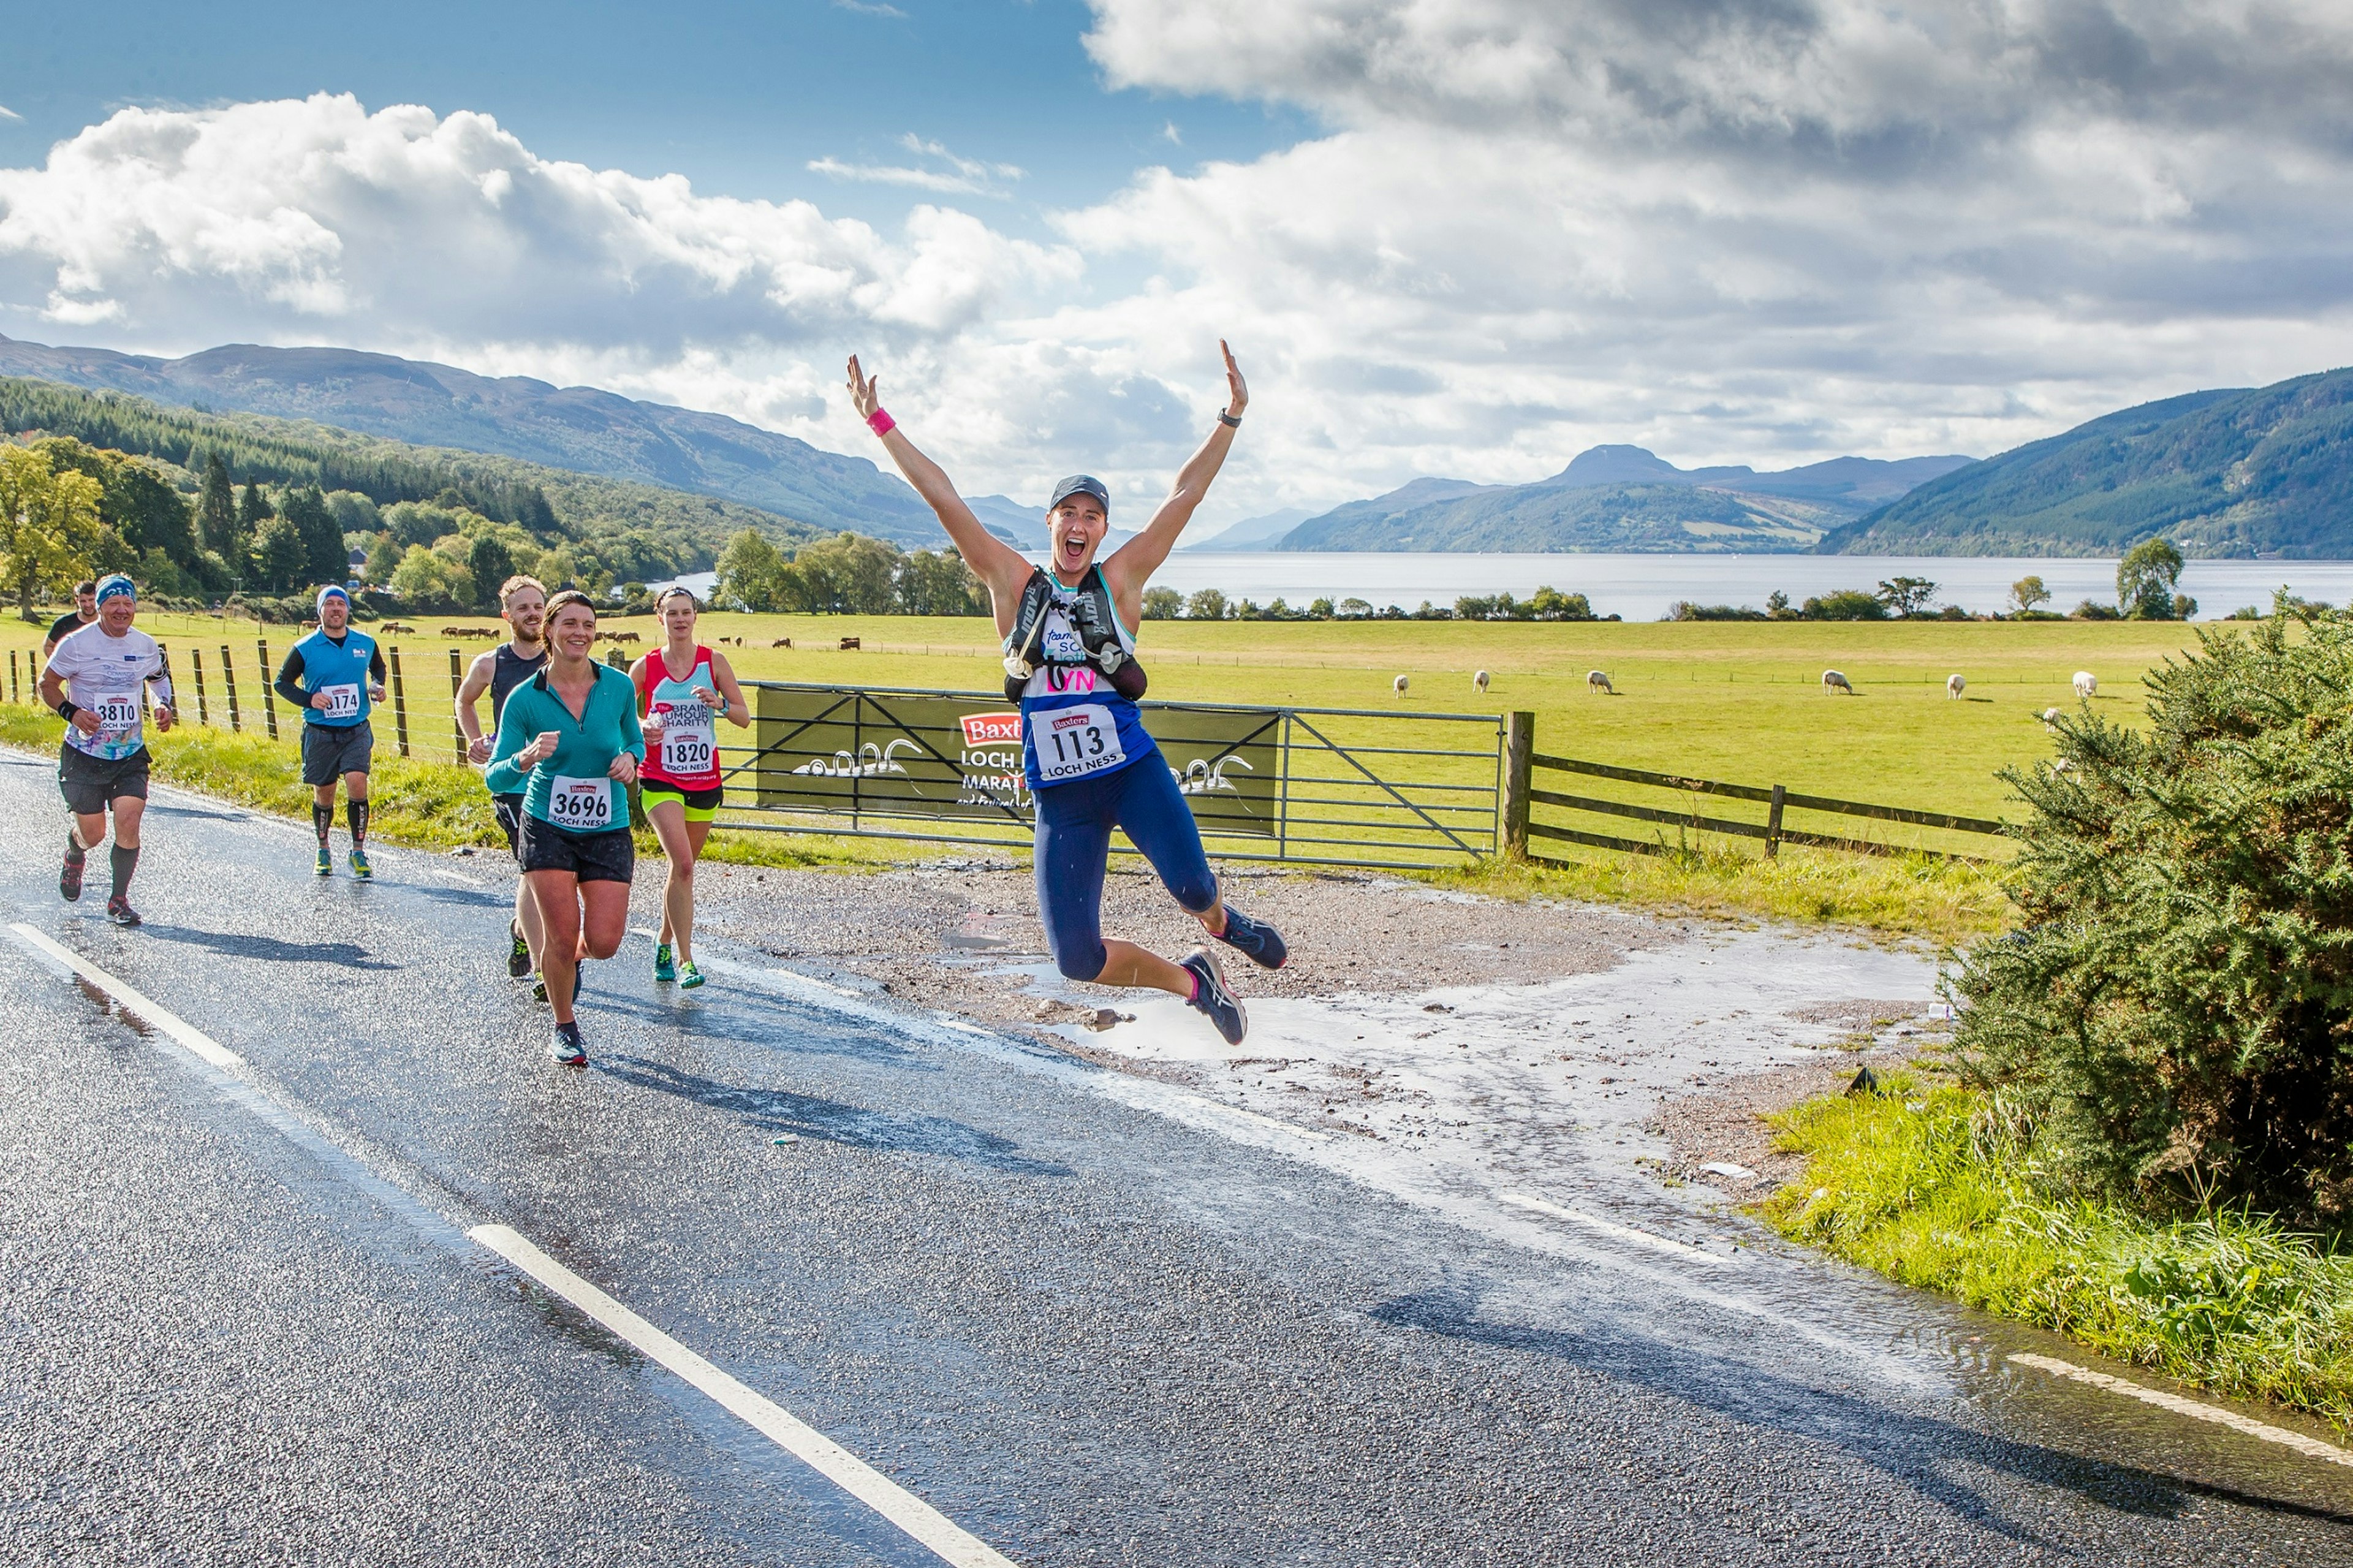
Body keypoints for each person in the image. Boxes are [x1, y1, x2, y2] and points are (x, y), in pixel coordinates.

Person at [845, 341, 1284, 1045]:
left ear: (1103, 529)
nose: (1078, 526)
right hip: (1062, 796)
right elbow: (942, 496)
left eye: (1092, 516)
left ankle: (1224, 924)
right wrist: (879, 421)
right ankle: (1196, 980)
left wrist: (1231, 416)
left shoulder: (1123, 582)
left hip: (1131, 774)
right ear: (1049, 522)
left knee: (1196, 889)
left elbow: (1186, 496)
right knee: (1076, 960)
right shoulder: (1013, 585)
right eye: (1067, 513)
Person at [483, 589, 643, 1065]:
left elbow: (634, 736)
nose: (580, 633)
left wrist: (632, 758)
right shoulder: (525, 698)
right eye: (569, 623)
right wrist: (526, 757)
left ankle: (563, 960)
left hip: (606, 823)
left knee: (604, 941)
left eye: (588, 624)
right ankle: (565, 1026)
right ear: (549, 630)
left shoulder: (617, 686)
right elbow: (496, 774)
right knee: (559, 932)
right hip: (547, 824)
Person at [629, 587, 749, 990]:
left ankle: (663, 941)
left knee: (682, 872)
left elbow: (744, 717)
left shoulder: (713, 662)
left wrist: (719, 704)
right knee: (682, 864)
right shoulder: (645, 667)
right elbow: (618, 715)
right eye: (671, 613)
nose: (679, 619)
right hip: (659, 776)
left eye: (686, 612)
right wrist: (643, 726)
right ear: (658, 618)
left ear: (696, 616)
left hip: (703, 779)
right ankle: (685, 960)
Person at [39, 574, 175, 926]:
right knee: (94, 834)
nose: (121, 610)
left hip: (129, 752)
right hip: (84, 753)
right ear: (99, 607)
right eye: (113, 603)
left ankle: (118, 900)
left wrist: (163, 703)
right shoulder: (76, 644)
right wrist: (73, 712)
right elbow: (47, 684)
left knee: (129, 822)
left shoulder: (146, 645)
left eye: (128, 604)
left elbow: (159, 678)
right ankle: (75, 851)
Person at [457, 575, 550, 980]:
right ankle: (548, 961)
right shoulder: (492, 663)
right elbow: (465, 699)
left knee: (554, 873)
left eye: (538, 606)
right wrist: (476, 739)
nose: (533, 614)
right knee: (536, 870)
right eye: (524, 607)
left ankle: (520, 929)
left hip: (558, 781)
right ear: (507, 615)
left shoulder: (561, 659)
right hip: (513, 784)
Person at [275, 586, 386, 878]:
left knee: (357, 783)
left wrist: (376, 686)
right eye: (330, 604)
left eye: (341, 604)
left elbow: (379, 669)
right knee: (325, 795)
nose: (336, 609)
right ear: (320, 611)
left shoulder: (366, 643)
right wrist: (309, 699)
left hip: (356, 730)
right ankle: (323, 849)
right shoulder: (305, 648)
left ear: (348, 610)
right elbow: (282, 683)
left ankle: (358, 851)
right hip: (320, 732)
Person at [42, 580, 97, 659]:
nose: (88, 605)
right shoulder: (64, 623)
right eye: (83, 601)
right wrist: (61, 668)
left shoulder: (108, 622)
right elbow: (48, 646)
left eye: (91, 600)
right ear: (77, 600)